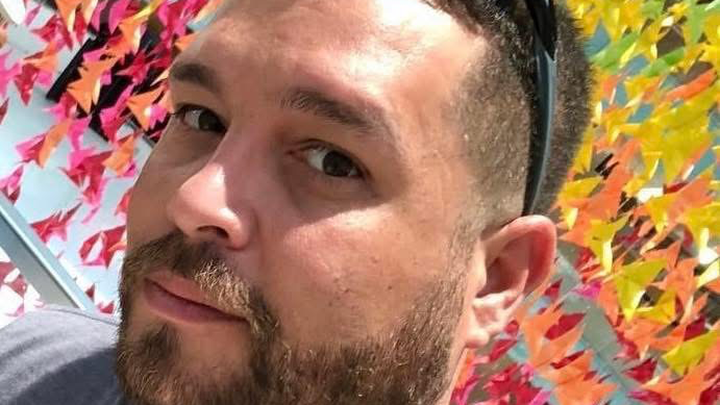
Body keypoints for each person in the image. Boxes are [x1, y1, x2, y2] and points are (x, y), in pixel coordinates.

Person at [0, 0, 591, 404]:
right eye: (202, 118)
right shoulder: (35, 363)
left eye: (333, 162)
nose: (195, 199)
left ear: (496, 279)